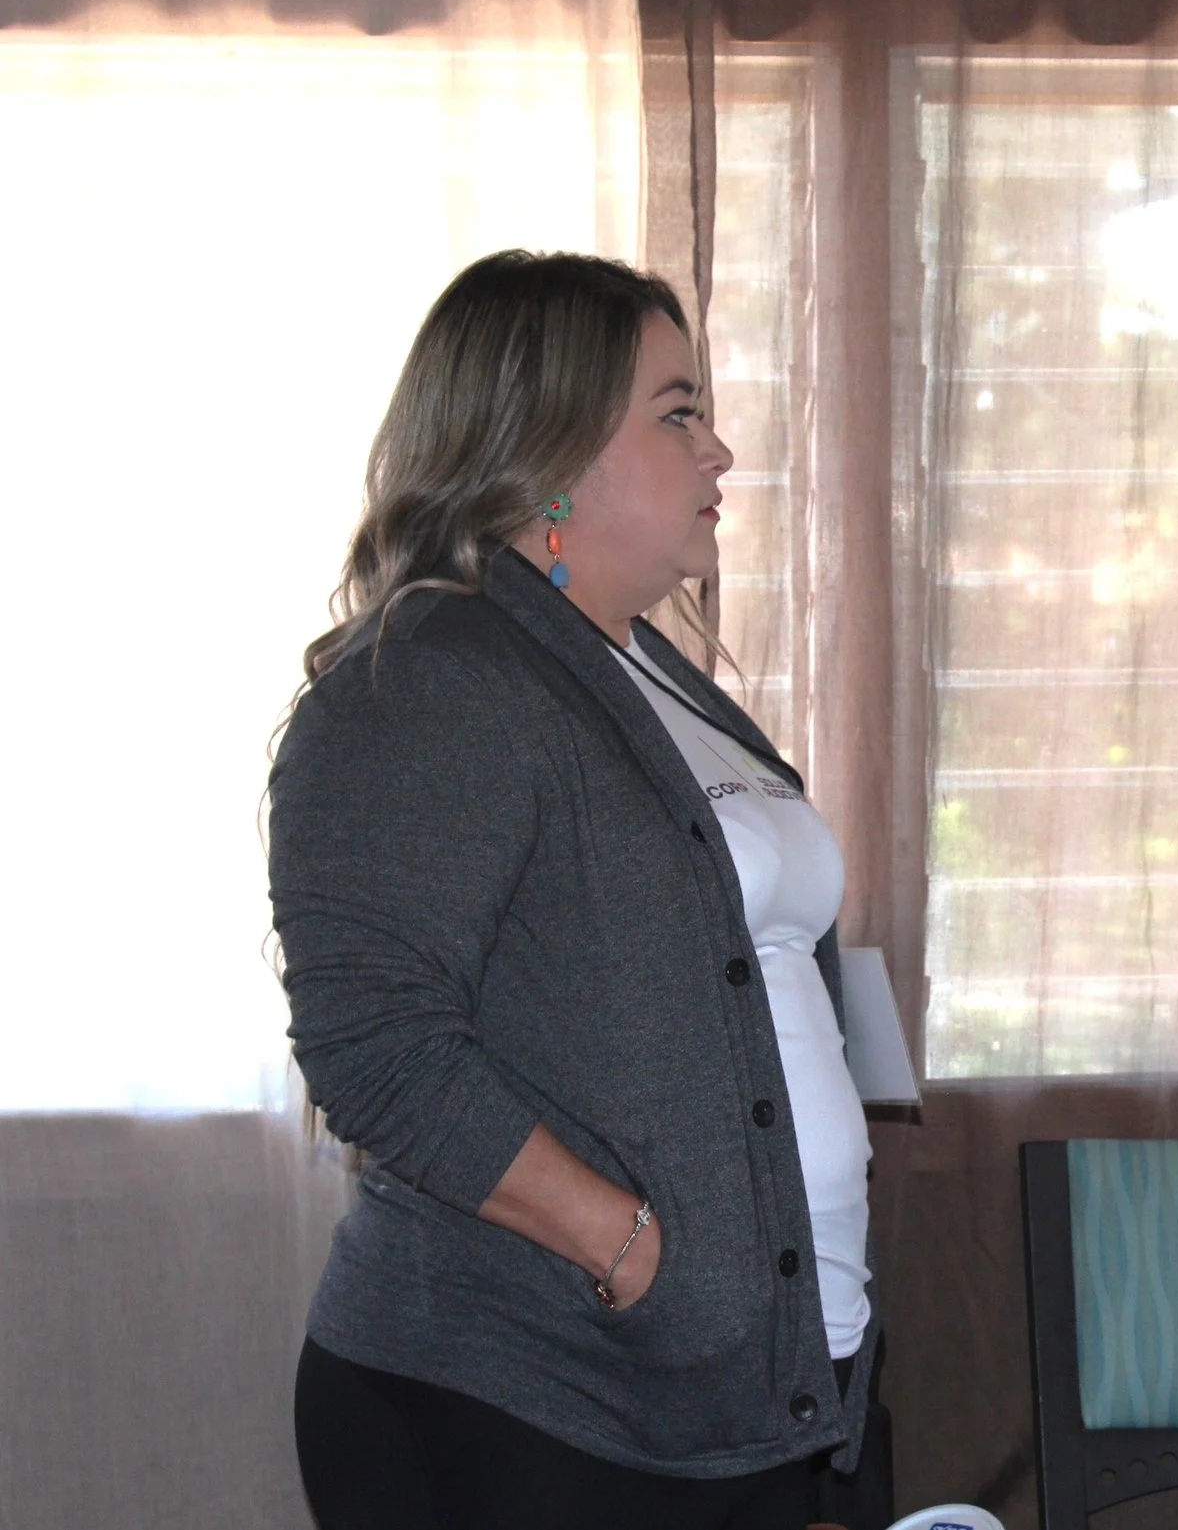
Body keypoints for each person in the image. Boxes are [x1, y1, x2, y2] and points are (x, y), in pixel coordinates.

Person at [270, 251, 882, 1530]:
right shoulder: (436, 676)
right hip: (534, 1402)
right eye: (677, 413)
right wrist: (633, 1251)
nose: (719, 450)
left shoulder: (646, 673)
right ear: (548, 448)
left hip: (742, 1382)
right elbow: (374, 1043)